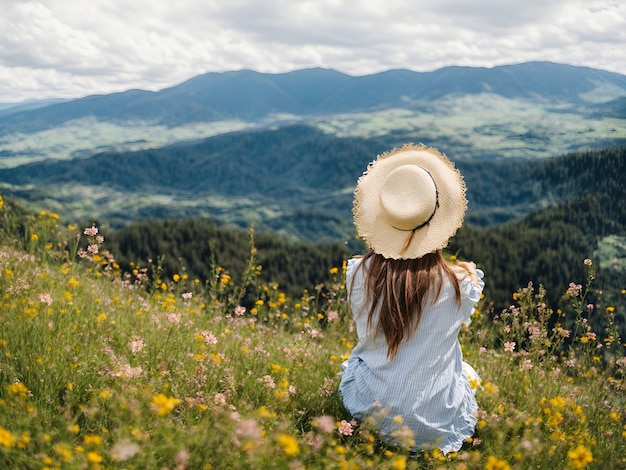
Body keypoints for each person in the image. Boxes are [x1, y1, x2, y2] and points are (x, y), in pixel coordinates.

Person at [339, 143, 484, 454]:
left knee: (353, 362)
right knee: (467, 373)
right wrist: (466, 271)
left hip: (372, 410)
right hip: (437, 424)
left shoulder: (358, 273)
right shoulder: (460, 284)